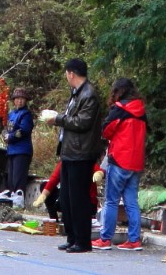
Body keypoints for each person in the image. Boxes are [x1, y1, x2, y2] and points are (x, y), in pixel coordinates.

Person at [94, 77, 146, 251]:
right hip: (136, 162)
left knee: (111, 201)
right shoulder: (141, 110)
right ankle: (134, 240)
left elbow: (106, 131)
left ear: (118, 91)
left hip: (120, 160)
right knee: (131, 202)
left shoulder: (119, 110)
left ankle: (105, 239)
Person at [56, 58, 101, 254]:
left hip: (81, 153)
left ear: (71, 73)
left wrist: (57, 119)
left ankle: (83, 241)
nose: (66, 77)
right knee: (66, 198)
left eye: (66, 73)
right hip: (69, 152)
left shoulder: (89, 94)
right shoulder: (76, 93)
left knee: (78, 199)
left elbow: (83, 122)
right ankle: (72, 237)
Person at [3, 89, 35, 202]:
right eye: (17, 99)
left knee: (18, 177)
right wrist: (5, 135)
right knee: (11, 178)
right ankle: (12, 198)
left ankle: (19, 199)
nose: (20, 101)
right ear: (14, 101)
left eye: (22, 99)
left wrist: (10, 137)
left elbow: (23, 130)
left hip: (22, 150)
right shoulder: (11, 114)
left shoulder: (26, 114)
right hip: (11, 150)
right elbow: (5, 128)